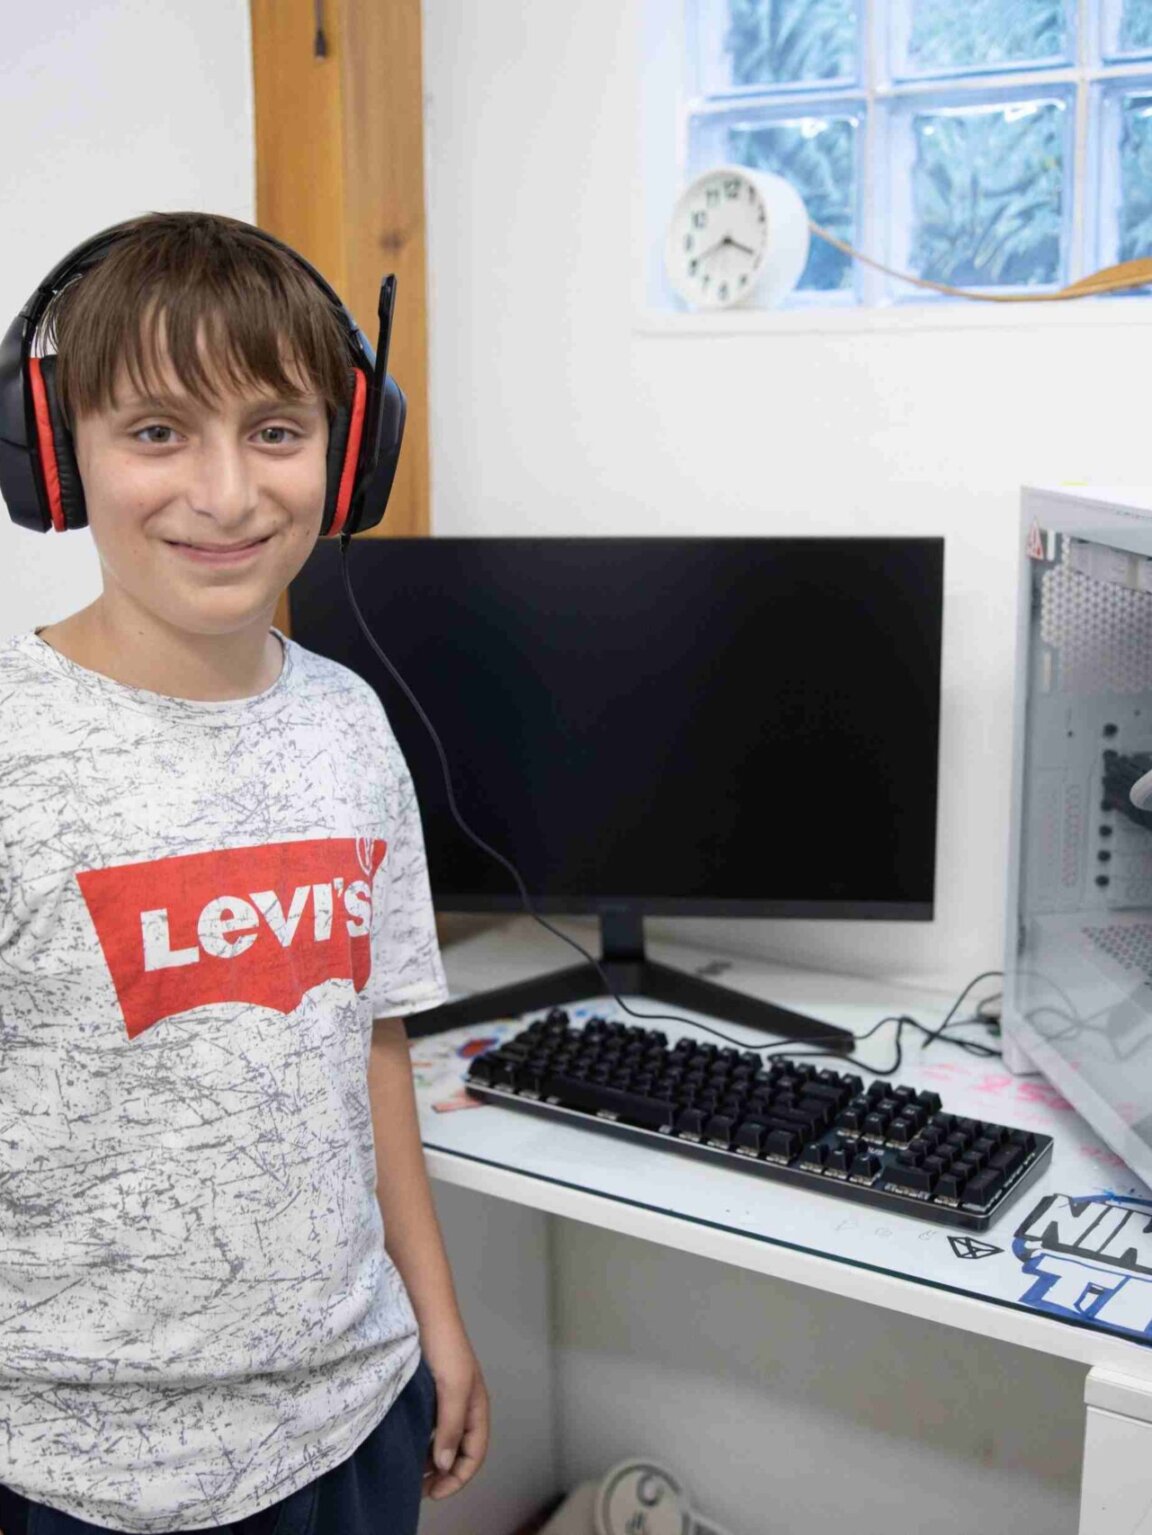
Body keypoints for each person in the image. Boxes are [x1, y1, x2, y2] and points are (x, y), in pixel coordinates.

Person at [0, 211, 489, 1534]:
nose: (225, 494)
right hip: (76, 1472)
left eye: (274, 430)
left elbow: (370, 1041)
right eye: (157, 431)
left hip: (350, 1420)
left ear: (348, 454)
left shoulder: (350, 725)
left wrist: (437, 1320)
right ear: (55, 454)